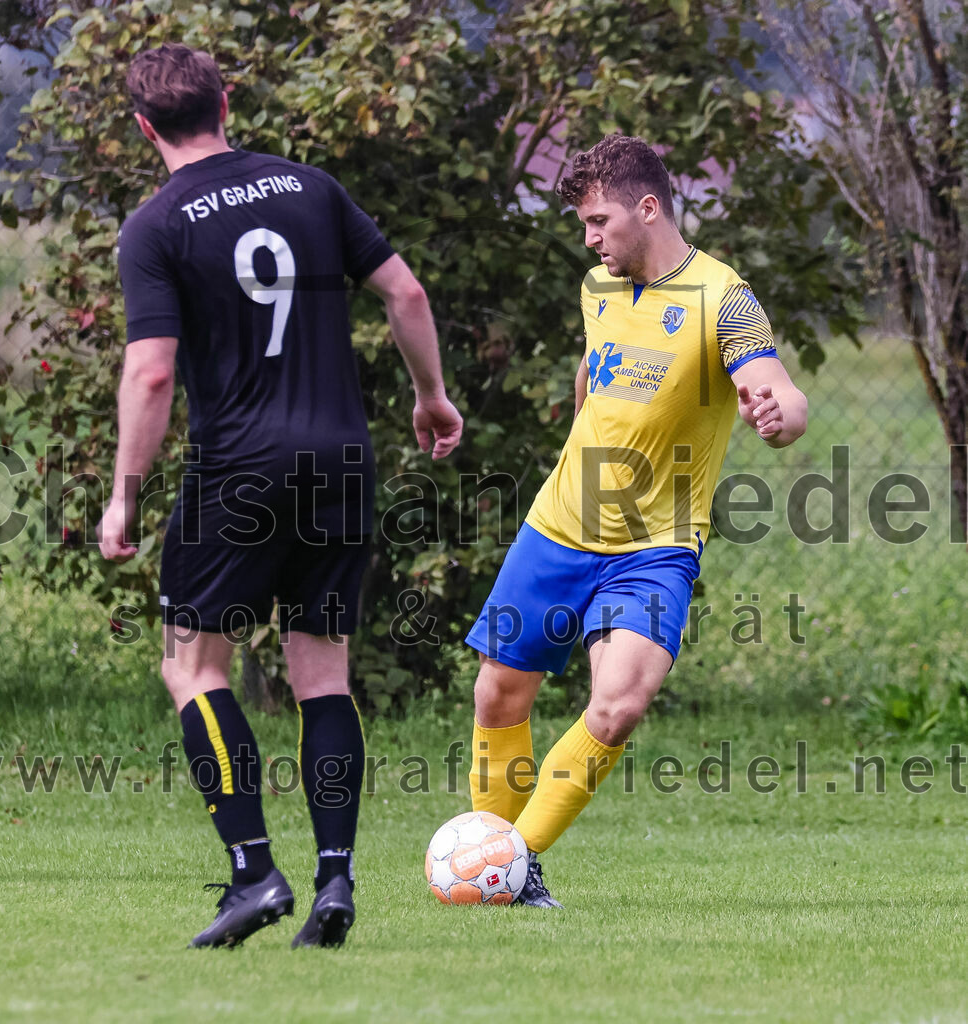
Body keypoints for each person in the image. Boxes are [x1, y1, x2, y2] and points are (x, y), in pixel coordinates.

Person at [97, 44, 462, 948]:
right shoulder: (310, 187)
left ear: (146, 127)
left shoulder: (154, 226)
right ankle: (336, 880)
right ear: (227, 101)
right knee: (322, 674)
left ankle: (255, 873)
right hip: (341, 461)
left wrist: (124, 498)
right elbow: (406, 291)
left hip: (239, 470)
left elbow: (150, 375)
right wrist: (431, 397)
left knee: (193, 666)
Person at [465, 135, 807, 907]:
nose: (590, 239)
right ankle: (499, 875)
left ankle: (507, 861)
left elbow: (780, 391)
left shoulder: (724, 298)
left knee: (618, 706)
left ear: (647, 208)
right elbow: (595, 377)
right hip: (558, 526)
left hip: (654, 547)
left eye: (598, 221)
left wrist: (776, 414)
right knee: (497, 697)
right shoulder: (597, 288)